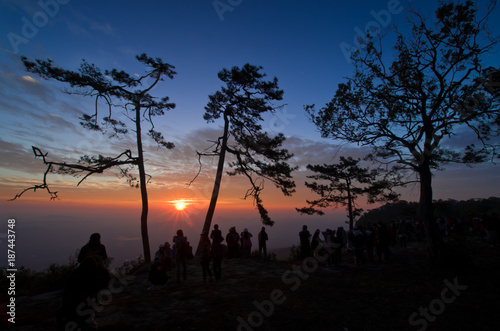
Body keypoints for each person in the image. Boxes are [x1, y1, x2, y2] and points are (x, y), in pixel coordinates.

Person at [56, 256, 111, 330]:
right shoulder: (92, 281)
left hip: (64, 317)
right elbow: (106, 281)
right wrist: (103, 268)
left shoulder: (72, 278)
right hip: (79, 318)